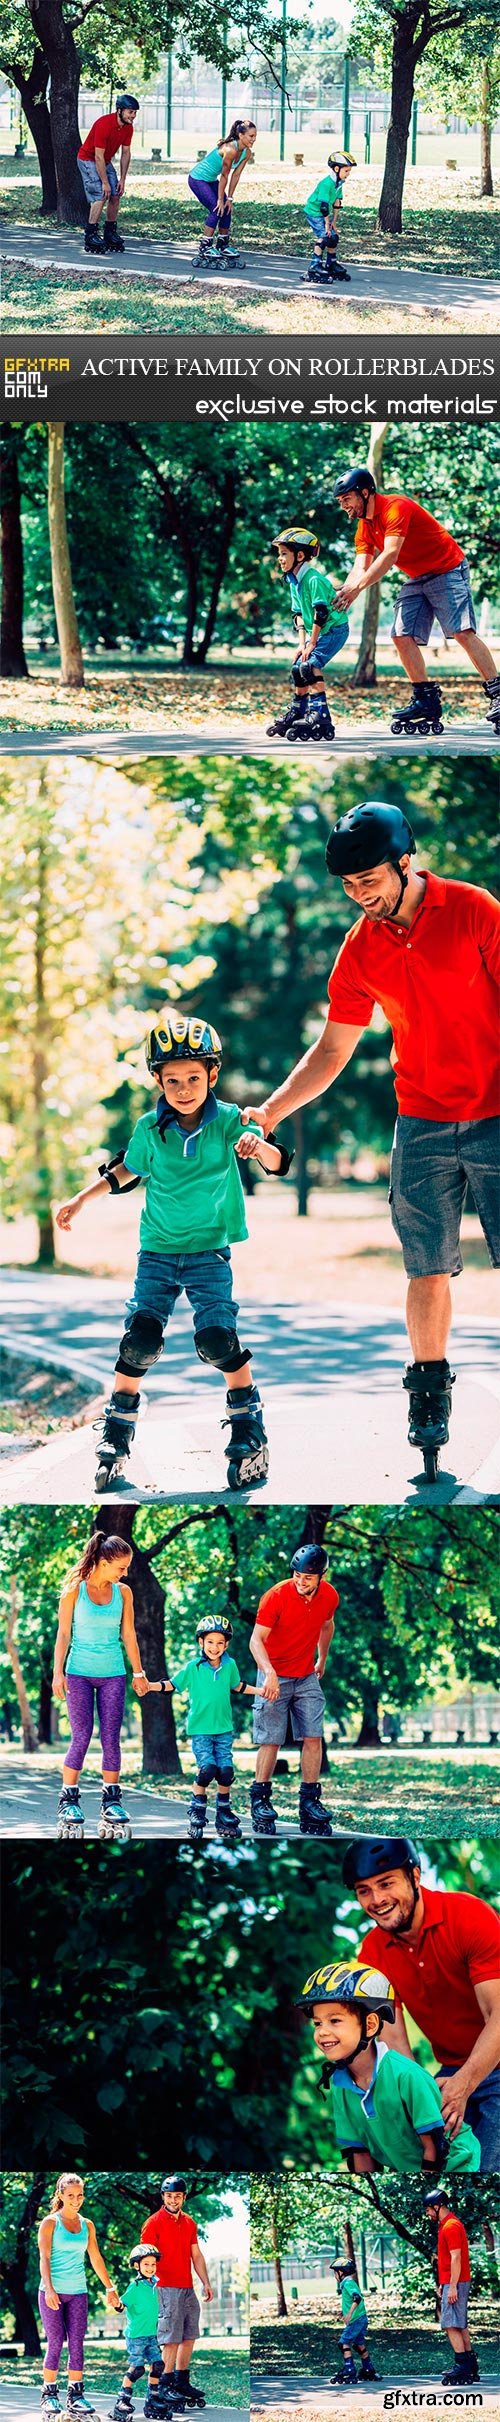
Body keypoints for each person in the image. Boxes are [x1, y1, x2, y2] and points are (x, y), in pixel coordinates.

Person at [243, 800, 500, 1479]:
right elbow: (331, 1053)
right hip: (419, 1120)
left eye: (370, 880)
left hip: (498, 1113)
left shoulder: (476, 911)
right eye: (350, 886)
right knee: (426, 1265)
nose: (362, 895)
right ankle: (429, 1396)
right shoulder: (360, 949)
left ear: (404, 862)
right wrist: (268, 1113)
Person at [56, 1008, 291, 1495]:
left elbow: (278, 1161)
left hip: (209, 1253)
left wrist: (257, 1143)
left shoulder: (230, 1121)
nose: (183, 1088)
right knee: (139, 1340)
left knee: (217, 1341)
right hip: (157, 1254)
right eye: (171, 1080)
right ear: (158, 1081)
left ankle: (249, 1426)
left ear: (212, 1074)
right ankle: (116, 1434)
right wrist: (81, 1200)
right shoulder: (149, 1127)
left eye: (192, 1077)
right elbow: (125, 1170)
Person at [343, 1835, 500, 2171]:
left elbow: (498, 2014)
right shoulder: (371, 1955)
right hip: (451, 2072)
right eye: (363, 1890)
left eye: (386, 1883)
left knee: (484, 2168)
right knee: (438, 2159)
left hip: (490, 2064)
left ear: (415, 1877)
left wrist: (465, 2083)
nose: (377, 1899)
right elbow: (396, 2045)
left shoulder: (470, 1916)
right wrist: (417, 2101)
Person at [332, 465, 500, 734]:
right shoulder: (364, 526)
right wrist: (346, 591)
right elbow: (360, 567)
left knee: (462, 632)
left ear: (365, 493)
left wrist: (358, 589)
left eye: (347, 499)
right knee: (400, 634)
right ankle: (425, 700)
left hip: (447, 568)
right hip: (418, 576)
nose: (344, 506)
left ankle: (498, 693)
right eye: (341, 502)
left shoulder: (396, 507)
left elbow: (390, 555)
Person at [295, 1960, 481, 2174]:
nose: (322, 2032)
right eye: (318, 2023)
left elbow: (434, 2149)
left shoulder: (407, 2075)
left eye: (335, 2020)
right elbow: (360, 2153)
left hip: (460, 2168)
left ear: (371, 2025)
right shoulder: (340, 2085)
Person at [52, 1532, 150, 1841]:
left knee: (111, 1736)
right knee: (81, 1735)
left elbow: (129, 1635)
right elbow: (63, 1635)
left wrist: (139, 1672)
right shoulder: (73, 1591)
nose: (125, 1573)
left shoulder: (124, 1593)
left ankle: (111, 1798)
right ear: (103, 1562)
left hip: (113, 1673)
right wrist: (57, 1673)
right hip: (79, 1672)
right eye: (121, 1567)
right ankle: (68, 1798)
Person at [249, 1542, 338, 1837]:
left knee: (313, 1736)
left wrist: (322, 1658)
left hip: (305, 1674)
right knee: (271, 1739)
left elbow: (328, 1626)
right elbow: (255, 1641)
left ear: (321, 1577)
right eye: (298, 1575)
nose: (301, 1581)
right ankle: (260, 1800)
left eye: (308, 1578)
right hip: (273, 1673)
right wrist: (269, 1673)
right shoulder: (275, 1596)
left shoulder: (329, 1596)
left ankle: (310, 1802)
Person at [149, 1610, 256, 1842]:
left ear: (226, 1645)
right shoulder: (193, 1667)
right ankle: (197, 1809)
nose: (214, 1647)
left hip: (224, 1730)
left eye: (220, 1643)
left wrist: (261, 1691)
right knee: (207, 1769)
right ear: (201, 1642)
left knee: (226, 1772)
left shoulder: (230, 1665)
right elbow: (172, 1685)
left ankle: (223, 1812)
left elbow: (237, 1686)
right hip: (200, 1731)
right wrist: (150, 1686)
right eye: (210, 1642)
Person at [38, 2173, 121, 2419]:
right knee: (55, 2342)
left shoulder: (88, 2225)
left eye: (80, 2195)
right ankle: (49, 2395)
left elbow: (95, 2258)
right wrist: (50, 2288)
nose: (76, 2200)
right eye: (71, 2195)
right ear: (60, 2195)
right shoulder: (50, 2223)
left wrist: (110, 2287)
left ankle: (75, 2395)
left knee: (77, 2343)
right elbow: (44, 2258)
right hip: (51, 2291)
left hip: (78, 2292)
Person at [267, 528, 349, 744]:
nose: (280, 558)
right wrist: (302, 644)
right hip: (318, 631)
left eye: (284, 553)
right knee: (298, 666)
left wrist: (312, 643)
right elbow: (299, 616)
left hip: (334, 629)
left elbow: (320, 614)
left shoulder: (313, 579)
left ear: (300, 556)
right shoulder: (293, 580)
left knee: (309, 666)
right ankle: (299, 710)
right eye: (279, 553)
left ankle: (321, 714)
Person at [140, 2176, 213, 2412]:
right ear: (163, 2197)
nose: (173, 2200)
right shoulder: (153, 2223)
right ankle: (164, 2384)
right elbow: (144, 2259)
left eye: (178, 2196)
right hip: (165, 2288)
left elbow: (196, 2255)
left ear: (183, 2197)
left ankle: (181, 2381)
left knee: (189, 2335)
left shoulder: (190, 2223)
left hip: (187, 2287)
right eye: (169, 2196)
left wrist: (206, 2282)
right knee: (170, 2338)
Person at [424, 2189, 479, 2389]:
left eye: (429, 2209)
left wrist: (453, 2286)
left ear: (438, 2206)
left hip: (457, 2281)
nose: (427, 2213)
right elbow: (449, 2260)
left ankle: (462, 2365)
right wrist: (443, 2283)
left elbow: (457, 2258)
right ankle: (470, 2365)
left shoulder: (451, 2226)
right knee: (459, 2324)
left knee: (449, 2324)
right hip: (453, 2280)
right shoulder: (446, 2225)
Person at [77, 96, 139, 257]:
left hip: (104, 160)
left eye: (135, 113)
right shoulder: (104, 124)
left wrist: (123, 180)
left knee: (116, 193)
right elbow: (97, 157)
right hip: (88, 159)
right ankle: (90, 234)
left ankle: (110, 232)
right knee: (101, 194)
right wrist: (105, 182)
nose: (133, 116)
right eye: (130, 112)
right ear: (119, 110)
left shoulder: (128, 128)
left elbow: (126, 153)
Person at [110, 2244, 166, 2422]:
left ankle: (153, 2398)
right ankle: (122, 2400)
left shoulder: (153, 2285)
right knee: (137, 2369)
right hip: (136, 2337)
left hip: (151, 2335)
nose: (150, 2268)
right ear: (137, 2266)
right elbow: (121, 2306)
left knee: (158, 2366)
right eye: (146, 2264)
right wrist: (115, 2302)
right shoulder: (134, 2287)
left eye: (153, 2264)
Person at [188, 121, 256, 259]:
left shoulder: (246, 153)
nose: (253, 139)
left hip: (211, 180)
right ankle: (205, 246)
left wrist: (229, 199)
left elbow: (236, 175)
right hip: (198, 178)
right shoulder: (230, 149)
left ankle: (222, 244)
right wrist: (220, 199)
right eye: (251, 136)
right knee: (216, 208)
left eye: (255, 136)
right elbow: (225, 175)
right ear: (240, 135)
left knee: (226, 208)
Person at [304, 150, 356, 286]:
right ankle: (314, 266)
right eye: (346, 171)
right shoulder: (326, 184)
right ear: (336, 169)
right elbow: (324, 207)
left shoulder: (339, 183)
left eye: (349, 171)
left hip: (324, 213)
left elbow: (337, 203)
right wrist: (327, 224)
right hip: (314, 212)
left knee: (334, 237)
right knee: (325, 237)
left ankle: (331, 264)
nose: (348, 174)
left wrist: (334, 222)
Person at [330, 2258, 378, 2388]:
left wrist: (350, 2314)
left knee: (343, 2343)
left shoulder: (348, 2283)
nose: (334, 2276)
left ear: (342, 2272)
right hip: (361, 2318)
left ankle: (349, 2369)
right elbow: (352, 2300)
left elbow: (357, 2298)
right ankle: (368, 2369)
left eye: (335, 2272)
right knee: (358, 2345)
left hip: (356, 2320)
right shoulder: (349, 2283)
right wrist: (344, 2312)